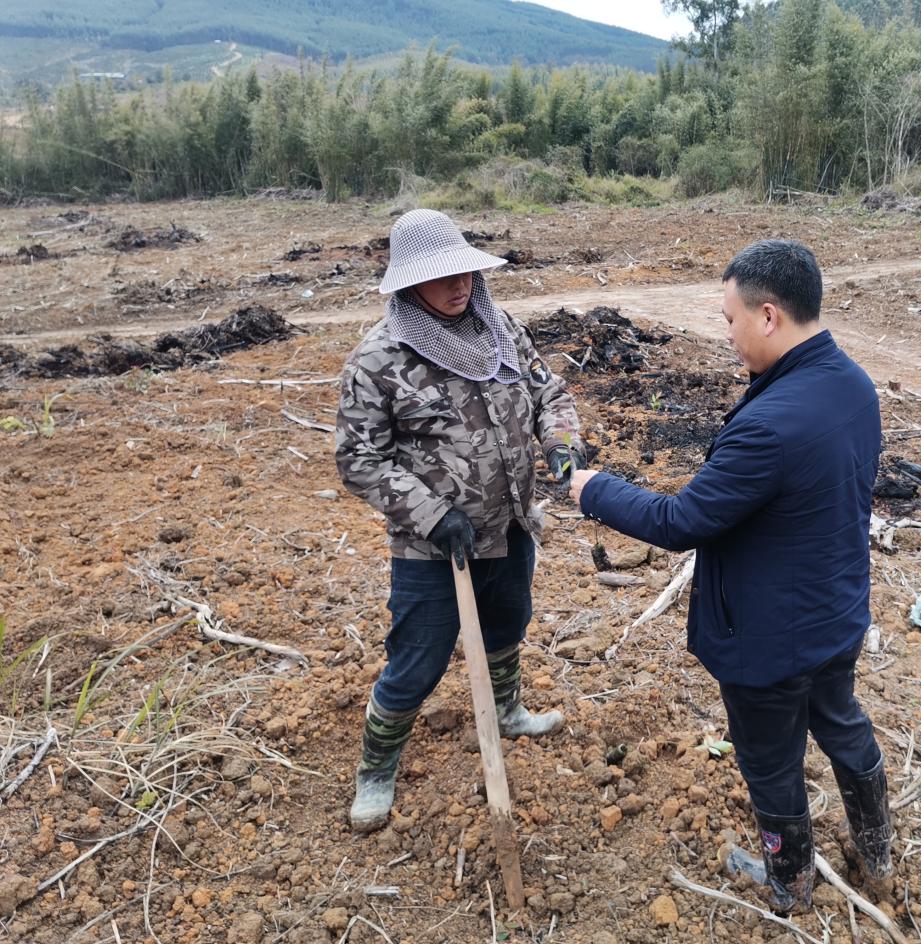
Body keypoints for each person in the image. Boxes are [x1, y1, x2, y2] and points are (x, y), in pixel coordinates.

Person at [568, 240, 890, 912]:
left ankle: (789, 887)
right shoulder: (851, 384)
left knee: (770, 764)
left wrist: (591, 487)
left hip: (768, 640)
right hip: (837, 613)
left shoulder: (770, 424)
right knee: (841, 720)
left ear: (768, 315)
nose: (727, 333)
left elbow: (680, 520)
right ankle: (876, 850)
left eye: (729, 318)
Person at [335, 209, 585, 833]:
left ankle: (506, 711)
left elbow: (549, 394)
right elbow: (358, 457)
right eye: (442, 277)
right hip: (433, 547)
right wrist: (429, 512)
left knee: (507, 624)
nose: (459, 286)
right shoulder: (379, 359)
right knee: (418, 659)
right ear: (408, 284)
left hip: (509, 526)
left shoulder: (502, 332)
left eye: (466, 272)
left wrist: (559, 442)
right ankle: (376, 768)